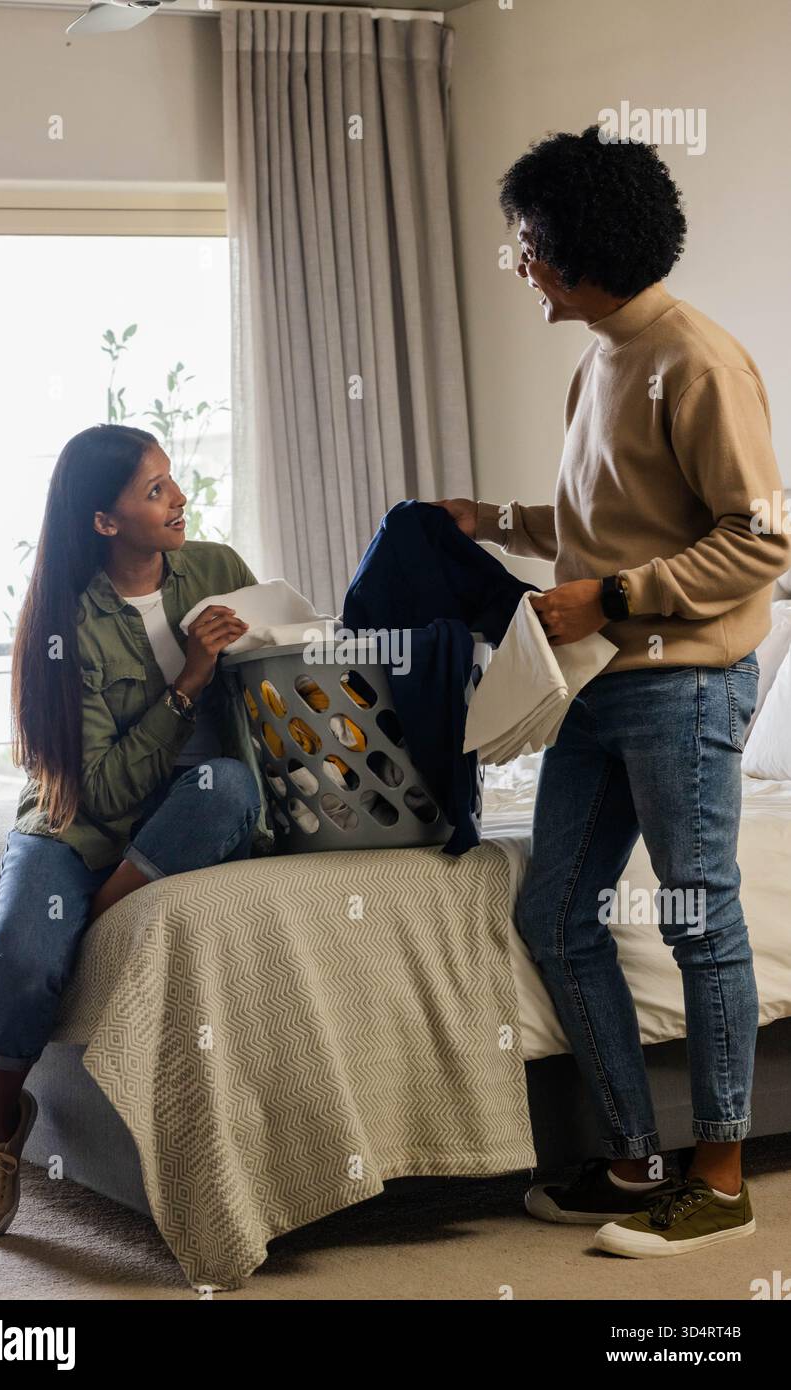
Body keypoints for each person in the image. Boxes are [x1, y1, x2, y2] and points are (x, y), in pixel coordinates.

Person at [437, 127, 790, 1258]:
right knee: (553, 909)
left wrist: (619, 596)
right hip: (600, 681)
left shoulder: (699, 361)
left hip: (684, 685)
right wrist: (490, 522)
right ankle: (638, 1155)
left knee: (699, 916)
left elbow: (762, 538)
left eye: (532, 245)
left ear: (582, 248)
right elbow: (599, 525)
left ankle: (722, 1173)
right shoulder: (601, 356)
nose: (523, 264)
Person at [0, 423, 269, 1238]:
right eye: (154, 490)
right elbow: (101, 786)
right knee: (22, 962)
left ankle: (81, 932)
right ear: (104, 521)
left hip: (188, 809)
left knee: (227, 787)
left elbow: (270, 685)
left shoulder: (217, 572)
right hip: (76, 823)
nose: (178, 498)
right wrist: (191, 678)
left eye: (172, 480)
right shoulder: (65, 620)